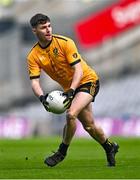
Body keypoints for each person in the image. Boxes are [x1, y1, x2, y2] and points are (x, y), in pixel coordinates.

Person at [27, 13, 119, 167]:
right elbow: (35, 82)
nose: (48, 30)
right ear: (34, 31)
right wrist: (42, 97)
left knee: (71, 114)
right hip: (71, 89)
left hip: (87, 81)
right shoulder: (33, 56)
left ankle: (61, 152)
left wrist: (71, 89)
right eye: (43, 28)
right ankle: (110, 147)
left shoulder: (65, 42)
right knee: (89, 126)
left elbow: (78, 70)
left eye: (49, 26)